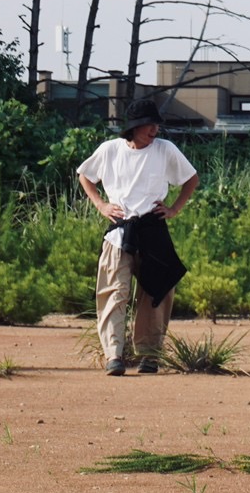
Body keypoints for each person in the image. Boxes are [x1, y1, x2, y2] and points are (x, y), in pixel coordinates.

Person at [77, 99, 200, 376]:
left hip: (153, 229)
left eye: (157, 124)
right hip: (119, 232)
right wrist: (100, 205)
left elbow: (191, 179)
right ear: (133, 127)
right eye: (149, 124)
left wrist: (174, 208)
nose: (155, 129)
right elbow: (85, 175)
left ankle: (150, 355)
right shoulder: (110, 150)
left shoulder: (165, 150)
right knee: (113, 293)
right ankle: (114, 355)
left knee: (156, 293)